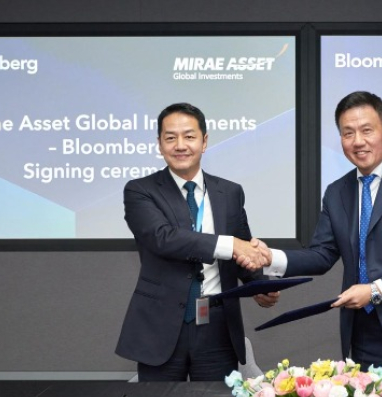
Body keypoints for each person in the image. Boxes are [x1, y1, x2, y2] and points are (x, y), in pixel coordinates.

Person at [251, 91, 382, 379]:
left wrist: (375, 291)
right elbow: (322, 254)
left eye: (367, 130)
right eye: (347, 133)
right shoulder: (337, 192)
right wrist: (269, 258)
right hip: (365, 337)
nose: (358, 141)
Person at [115, 102, 278, 382]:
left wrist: (259, 285)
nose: (180, 145)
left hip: (217, 327)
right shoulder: (140, 191)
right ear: (159, 144)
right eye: (170, 137)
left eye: (189, 137)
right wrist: (231, 245)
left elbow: (242, 249)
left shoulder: (229, 192)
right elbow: (164, 238)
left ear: (204, 142)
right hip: (161, 327)